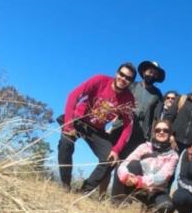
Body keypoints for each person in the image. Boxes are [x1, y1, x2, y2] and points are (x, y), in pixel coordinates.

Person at [58, 62, 137, 193]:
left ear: (131, 82)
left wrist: (116, 149)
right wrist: (68, 125)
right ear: (116, 73)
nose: (123, 79)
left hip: (96, 130)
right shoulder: (100, 80)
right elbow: (73, 95)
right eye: (122, 74)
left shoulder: (128, 100)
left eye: (128, 78)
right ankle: (65, 185)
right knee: (65, 143)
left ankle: (83, 191)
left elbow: (128, 127)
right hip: (79, 120)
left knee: (109, 160)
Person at [112, 119, 178, 213]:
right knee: (131, 165)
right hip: (135, 186)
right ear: (154, 133)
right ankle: (117, 203)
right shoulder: (144, 147)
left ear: (170, 134)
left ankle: (149, 211)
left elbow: (163, 177)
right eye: (158, 130)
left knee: (167, 206)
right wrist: (126, 176)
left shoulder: (173, 155)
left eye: (165, 130)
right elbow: (125, 163)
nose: (161, 132)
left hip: (155, 191)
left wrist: (140, 180)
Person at [113, 60, 166, 159]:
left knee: (126, 163)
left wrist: (152, 138)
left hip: (140, 134)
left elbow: (156, 118)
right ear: (144, 72)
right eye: (150, 72)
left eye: (155, 74)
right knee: (110, 158)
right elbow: (118, 101)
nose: (152, 75)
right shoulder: (131, 85)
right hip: (121, 127)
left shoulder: (158, 95)